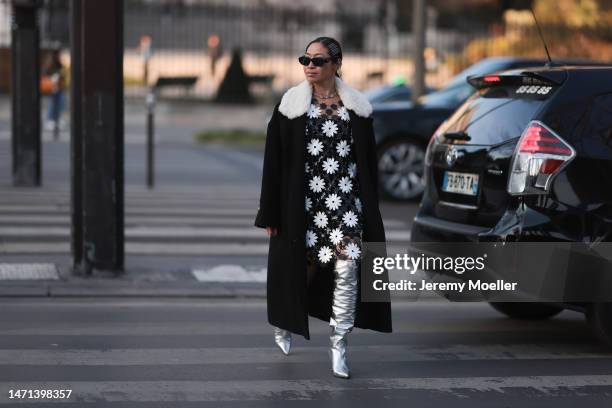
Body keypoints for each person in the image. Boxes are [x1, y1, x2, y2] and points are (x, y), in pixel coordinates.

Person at [254, 37, 392, 379]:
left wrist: (371, 210)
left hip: (346, 204)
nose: (309, 66)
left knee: (347, 273)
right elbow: (273, 163)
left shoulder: (357, 109)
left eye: (317, 60)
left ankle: (339, 347)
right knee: (301, 271)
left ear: (336, 64)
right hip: (303, 204)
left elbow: (369, 165)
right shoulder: (289, 106)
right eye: (305, 60)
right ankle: (285, 321)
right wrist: (269, 212)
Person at [43, 49, 66, 140]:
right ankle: (50, 119)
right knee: (53, 103)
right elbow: (46, 74)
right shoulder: (51, 63)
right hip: (53, 86)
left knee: (60, 103)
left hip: (59, 86)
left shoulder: (59, 63)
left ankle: (55, 119)